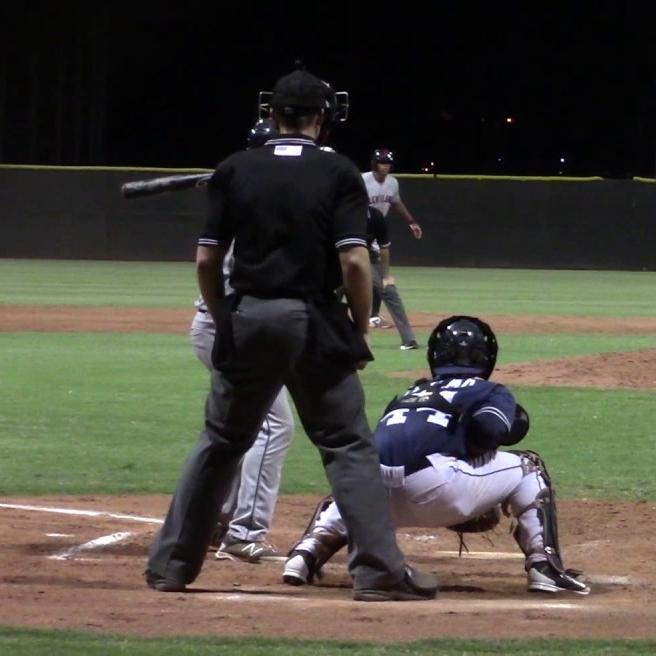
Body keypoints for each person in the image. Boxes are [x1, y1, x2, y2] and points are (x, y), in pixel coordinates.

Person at [145, 64, 438, 602]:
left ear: (271, 113)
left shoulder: (235, 168)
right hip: (313, 322)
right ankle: (378, 573)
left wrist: (227, 319)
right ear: (323, 118)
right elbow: (354, 261)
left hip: (248, 315)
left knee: (221, 443)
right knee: (347, 446)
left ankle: (171, 566)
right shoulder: (340, 172)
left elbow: (207, 259)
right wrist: (357, 330)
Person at [283, 315, 591, 595]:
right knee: (529, 466)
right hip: (437, 490)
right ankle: (544, 567)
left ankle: (305, 554)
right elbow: (489, 430)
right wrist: (472, 469)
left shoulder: (410, 392)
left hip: (373, 501)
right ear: (487, 357)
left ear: (434, 355)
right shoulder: (489, 390)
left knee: (354, 478)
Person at [186, 118, 295, 564]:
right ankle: (244, 532)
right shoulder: (255, 203)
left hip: (223, 327)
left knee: (238, 428)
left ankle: (214, 520)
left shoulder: (243, 196)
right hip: (228, 327)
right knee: (274, 425)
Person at [366, 206, 419, 350]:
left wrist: (386, 276)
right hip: (340, 257)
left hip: (368, 256)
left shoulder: (375, 216)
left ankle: (409, 340)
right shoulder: (342, 212)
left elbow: (384, 247)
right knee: (331, 294)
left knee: (389, 290)